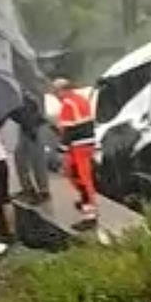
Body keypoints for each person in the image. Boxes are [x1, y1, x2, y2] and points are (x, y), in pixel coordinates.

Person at [53, 78, 98, 228]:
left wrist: (62, 148)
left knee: (80, 178)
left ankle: (89, 215)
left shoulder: (67, 103)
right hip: (88, 143)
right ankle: (87, 201)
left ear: (64, 90)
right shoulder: (81, 99)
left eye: (56, 91)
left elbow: (68, 130)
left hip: (77, 146)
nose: (55, 95)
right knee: (82, 176)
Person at [8, 93, 51, 203]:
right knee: (19, 159)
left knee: (37, 161)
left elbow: (30, 114)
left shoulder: (21, 97)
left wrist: (32, 132)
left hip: (34, 127)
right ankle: (28, 189)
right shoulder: (7, 99)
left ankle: (44, 191)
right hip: (24, 128)